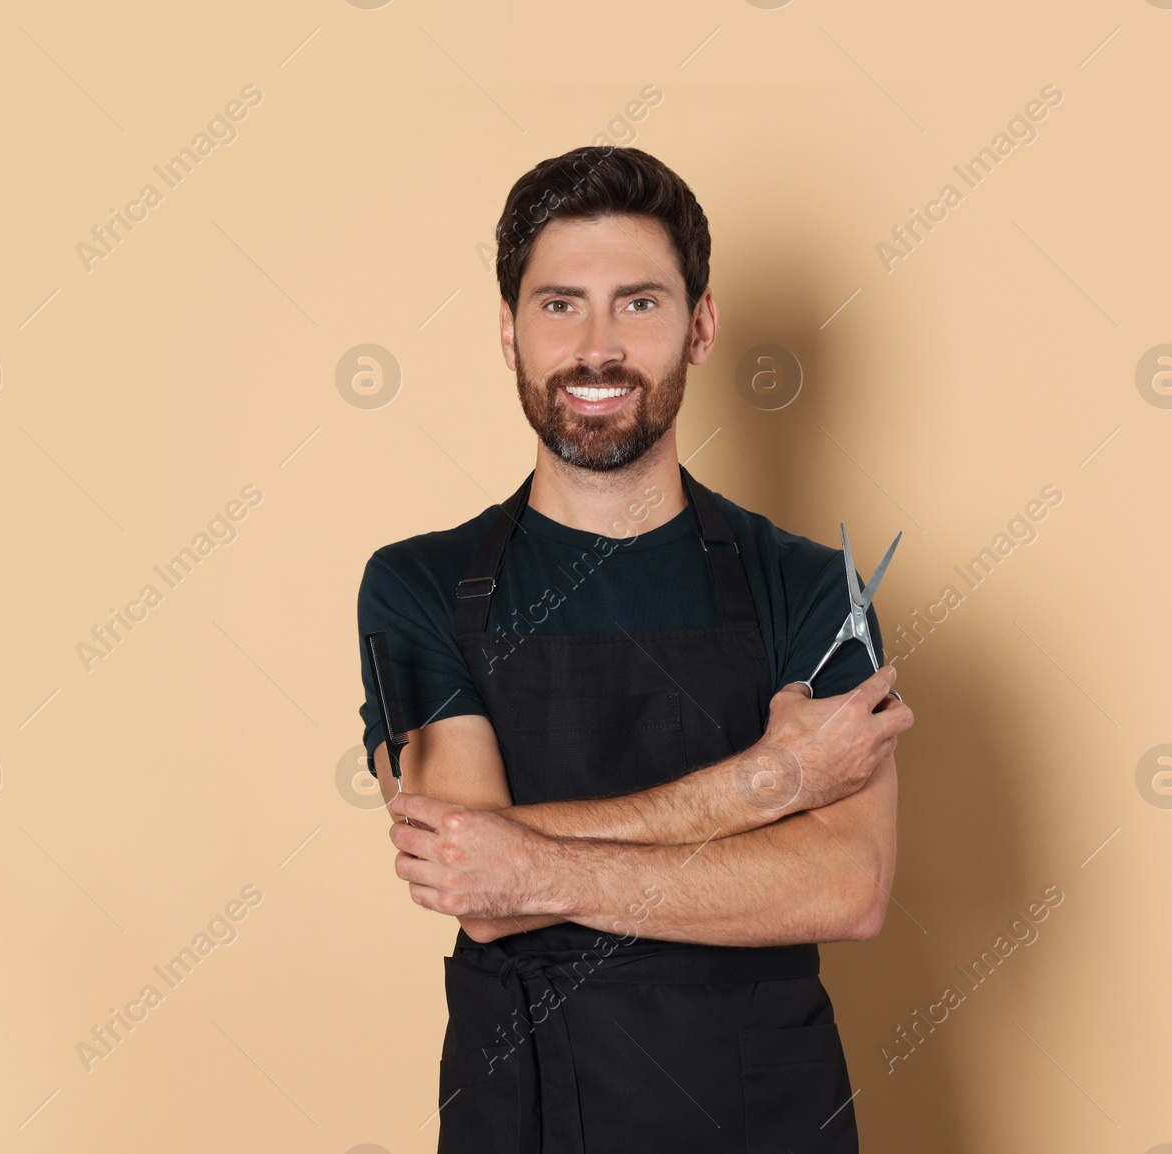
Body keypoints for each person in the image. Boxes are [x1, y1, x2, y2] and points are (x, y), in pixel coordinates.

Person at [354, 145, 914, 1154]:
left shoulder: (810, 585)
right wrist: (765, 782)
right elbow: (470, 885)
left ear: (699, 325)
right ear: (508, 329)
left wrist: (531, 862)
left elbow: (845, 886)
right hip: (519, 1104)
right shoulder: (418, 583)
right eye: (560, 304)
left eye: (640, 303)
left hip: (758, 1113)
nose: (598, 348)